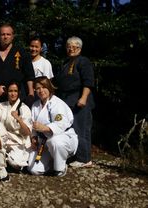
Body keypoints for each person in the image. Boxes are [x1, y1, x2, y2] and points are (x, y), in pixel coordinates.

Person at [53, 36, 95, 168]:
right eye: (68, 46)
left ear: (79, 48)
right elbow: (57, 82)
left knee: (81, 129)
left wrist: (83, 97)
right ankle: (74, 155)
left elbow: (88, 81)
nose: (71, 48)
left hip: (79, 99)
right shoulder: (65, 62)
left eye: (74, 46)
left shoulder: (83, 61)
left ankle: (85, 158)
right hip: (66, 100)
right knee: (70, 129)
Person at [27, 76, 78, 177]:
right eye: (38, 88)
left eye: (44, 87)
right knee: (34, 170)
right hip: (44, 142)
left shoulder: (57, 103)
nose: (41, 90)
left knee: (54, 142)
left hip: (64, 138)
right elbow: (32, 125)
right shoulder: (35, 105)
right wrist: (33, 137)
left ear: (49, 87)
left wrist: (45, 128)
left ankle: (61, 167)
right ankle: (53, 161)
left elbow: (61, 123)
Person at [0, 23, 35, 107]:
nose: (5, 36)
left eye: (8, 34)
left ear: (12, 36)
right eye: (3, 34)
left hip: (18, 96)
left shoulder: (22, 52)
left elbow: (30, 75)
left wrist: (31, 94)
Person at [0, 81, 32, 170]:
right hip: (2, 140)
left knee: (16, 163)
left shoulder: (24, 108)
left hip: (18, 142)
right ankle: (3, 158)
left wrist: (18, 119)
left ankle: (7, 159)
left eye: (15, 91)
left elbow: (27, 132)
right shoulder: (1, 106)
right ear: (7, 92)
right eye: (10, 91)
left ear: (19, 93)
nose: (13, 94)